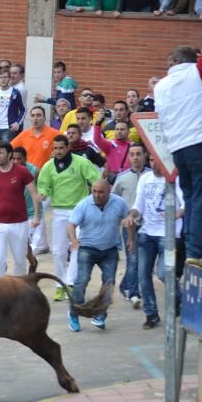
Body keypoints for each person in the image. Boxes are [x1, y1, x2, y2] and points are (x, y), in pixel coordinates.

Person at [155, 0, 202, 267]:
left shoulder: (160, 86)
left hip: (177, 149)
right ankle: (195, 249)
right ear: (192, 60)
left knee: (191, 197)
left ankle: (192, 246)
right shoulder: (199, 70)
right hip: (200, 144)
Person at [36, 135, 101, 300]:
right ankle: (60, 284)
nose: (57, 151)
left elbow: (96, 180)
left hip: (79, 211)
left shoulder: (81, 163)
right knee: (58, 251)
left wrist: (95, 198)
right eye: (55, 148)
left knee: (76, 247)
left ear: (68, 148)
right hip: (58, 211)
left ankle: (70, 283)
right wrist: (43, 193)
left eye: (60, 148)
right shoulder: (48, 166)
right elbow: (44, 185)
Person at [123, 166, 185, 330]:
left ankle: (180, 298)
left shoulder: (174, 178)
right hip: (147, 233)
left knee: (164, 273)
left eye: (157, 161)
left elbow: (185, 203)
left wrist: (176, 214)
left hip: (169, 234)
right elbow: (138, 206)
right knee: (143, 275)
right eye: (151, 160)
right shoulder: (145, 179)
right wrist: (132, 215)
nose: (155, 164)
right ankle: (151, 313)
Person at [65, 178, 129, 333]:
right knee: (82, 280)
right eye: (94, 191)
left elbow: (128, 219)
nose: (97, 195)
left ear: (109, 191)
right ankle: (74, 314)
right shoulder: (84, 205)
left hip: (110, 250)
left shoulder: (119, 203)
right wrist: (73, 239)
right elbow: (71, 224)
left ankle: (100, 314)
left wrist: (131, 239)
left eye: (101, 192)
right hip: (87, 248)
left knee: (110, 282)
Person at [0, 140, 39, 277]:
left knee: (19, 261)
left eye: (1, 153)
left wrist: (36, 216)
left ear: (9, 154)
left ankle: (19, 291)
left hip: (19, 223)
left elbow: (34, 194)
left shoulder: (22, 172)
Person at [112, 142, 150, 308]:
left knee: (145, 261)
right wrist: (120, 219)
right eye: (132, 154)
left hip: (150, 226)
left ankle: (125, 285)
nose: (135, 158)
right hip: (130, 226)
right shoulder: (123, 178)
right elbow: (113, 200)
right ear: (128, 157)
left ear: (145, 156)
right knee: (133, 259)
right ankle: (134, 293)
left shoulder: (152, 176)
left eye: (139, 154)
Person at [10, 106, 61, 170]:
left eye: (38, 115)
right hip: (28, 174)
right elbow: (9, 148)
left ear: (44, 118)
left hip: (46, 173)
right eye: (33, 116)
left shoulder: (56, 134)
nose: (35, 118)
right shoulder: (24, 134)